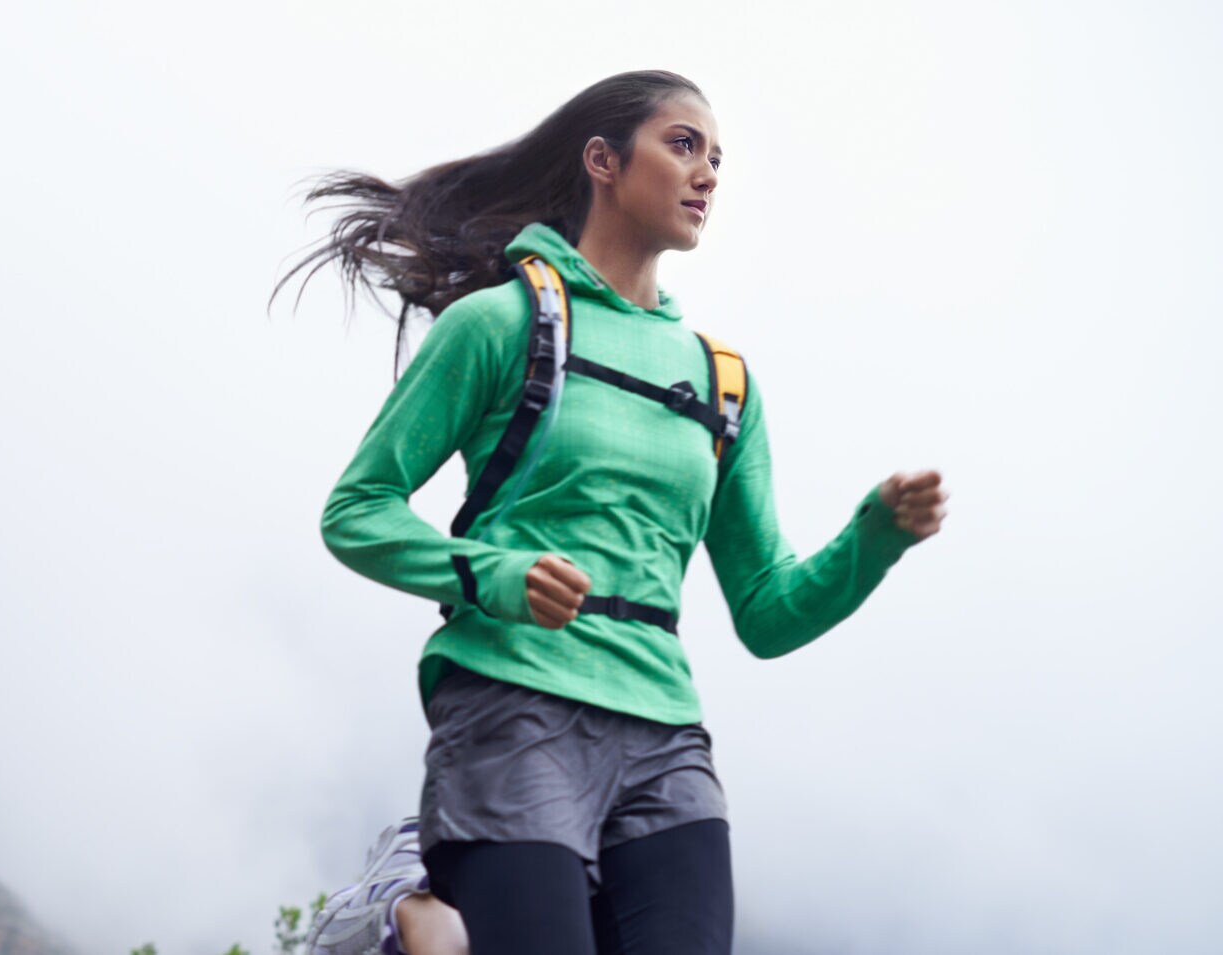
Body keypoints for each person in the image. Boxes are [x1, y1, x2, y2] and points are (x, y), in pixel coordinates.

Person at [278, 70, 949, 954]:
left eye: (717, 158)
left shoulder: (723, 382)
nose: (707, 172)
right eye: (683, 145)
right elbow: (357, 510)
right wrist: (496, 573)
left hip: (664, 739)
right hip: (511, 705)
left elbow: (770, 612)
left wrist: (875, 537)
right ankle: (410, 917)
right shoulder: (499, 324)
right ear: (603, 161)